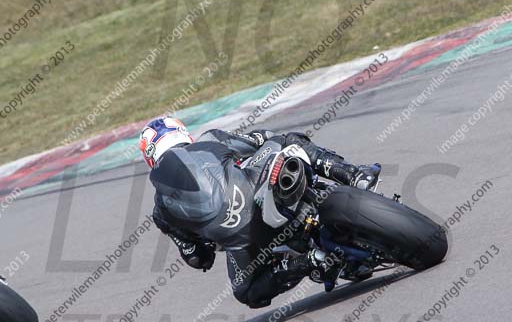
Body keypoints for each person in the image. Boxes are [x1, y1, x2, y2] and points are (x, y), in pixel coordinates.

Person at [140, 117, 381, 309]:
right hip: (254, 190)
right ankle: (353, 175)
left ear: (150, 158)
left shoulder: (160, 210)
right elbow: (260, 139)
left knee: (246, 291)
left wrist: (206, 236)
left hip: (242, 240)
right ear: (183, 134)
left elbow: (198, 259)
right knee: (287, 140)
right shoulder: (210, 139)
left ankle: (306, 261)